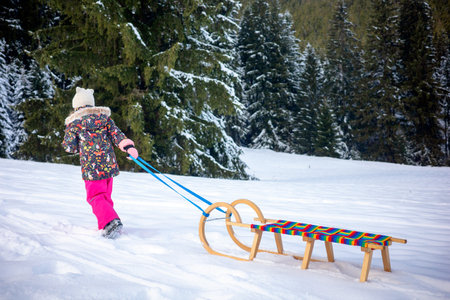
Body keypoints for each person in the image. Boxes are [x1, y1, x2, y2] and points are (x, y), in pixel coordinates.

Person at [62, 87, 138, 239]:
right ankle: (106, 223)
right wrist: (128, 146)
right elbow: (117, 135)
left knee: (95, 197)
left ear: (76, 106)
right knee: (105, 197)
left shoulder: (75, 124)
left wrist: (71, 136)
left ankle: (110, 222)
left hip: (91, 169)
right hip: (108, 166)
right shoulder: (104, 119)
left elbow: (69, 148)